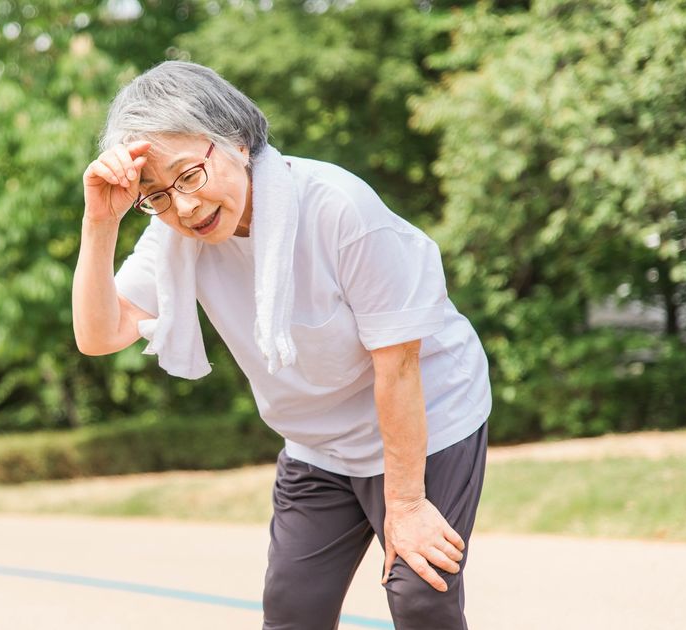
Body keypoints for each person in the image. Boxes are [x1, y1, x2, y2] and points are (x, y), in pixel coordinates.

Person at [71, 60, 491, 630]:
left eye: (189, 175)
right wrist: (100, 224)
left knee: (420, 597)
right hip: (319, 446)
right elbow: (99, 335)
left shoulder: (338, 209)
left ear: (237, 143)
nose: (184, 207)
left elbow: (397, 366)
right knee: (293, 612)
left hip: (429, 419)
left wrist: (409, 506)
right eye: (156, 195)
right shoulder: (173, 240)